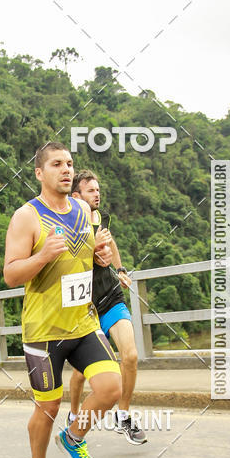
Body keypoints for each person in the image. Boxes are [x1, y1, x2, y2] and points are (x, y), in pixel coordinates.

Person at [3, 142, 123, 458]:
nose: (66, 170)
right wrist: (41, 256)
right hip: (44, 331)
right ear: (40, 173)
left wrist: (100, 258)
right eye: (57, 164)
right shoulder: (26, 216)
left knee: (111, 389)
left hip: (83, 323)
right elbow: (11, 274)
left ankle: (73, 438)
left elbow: (83, 257)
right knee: (49, 406)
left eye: (70, 164)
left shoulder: (84, 210)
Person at [69, 170, 146, 444]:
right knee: (81, 373)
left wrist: (120, 268)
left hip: (111, 298)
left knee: (131, 356)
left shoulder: (99, 218)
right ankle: (74, 415)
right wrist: (92, 255)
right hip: (86, 309)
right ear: (76, 196)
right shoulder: (68, 225)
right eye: (91, 191)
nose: (97, 194)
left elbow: (110, 242)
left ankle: (123, 416)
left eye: (98, 190)